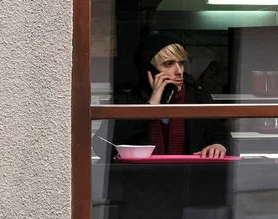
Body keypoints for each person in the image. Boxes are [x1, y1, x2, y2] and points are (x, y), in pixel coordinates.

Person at [93, 33, 230, 159]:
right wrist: (150, 107)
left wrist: (219, 146)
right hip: (141, 182)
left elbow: (224, 138)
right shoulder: (127, 102)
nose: (179, 71)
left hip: (188, 180)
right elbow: (101, 147)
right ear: (149, 71)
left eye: (181, 63)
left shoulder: (198, 99)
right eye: (168, 64)